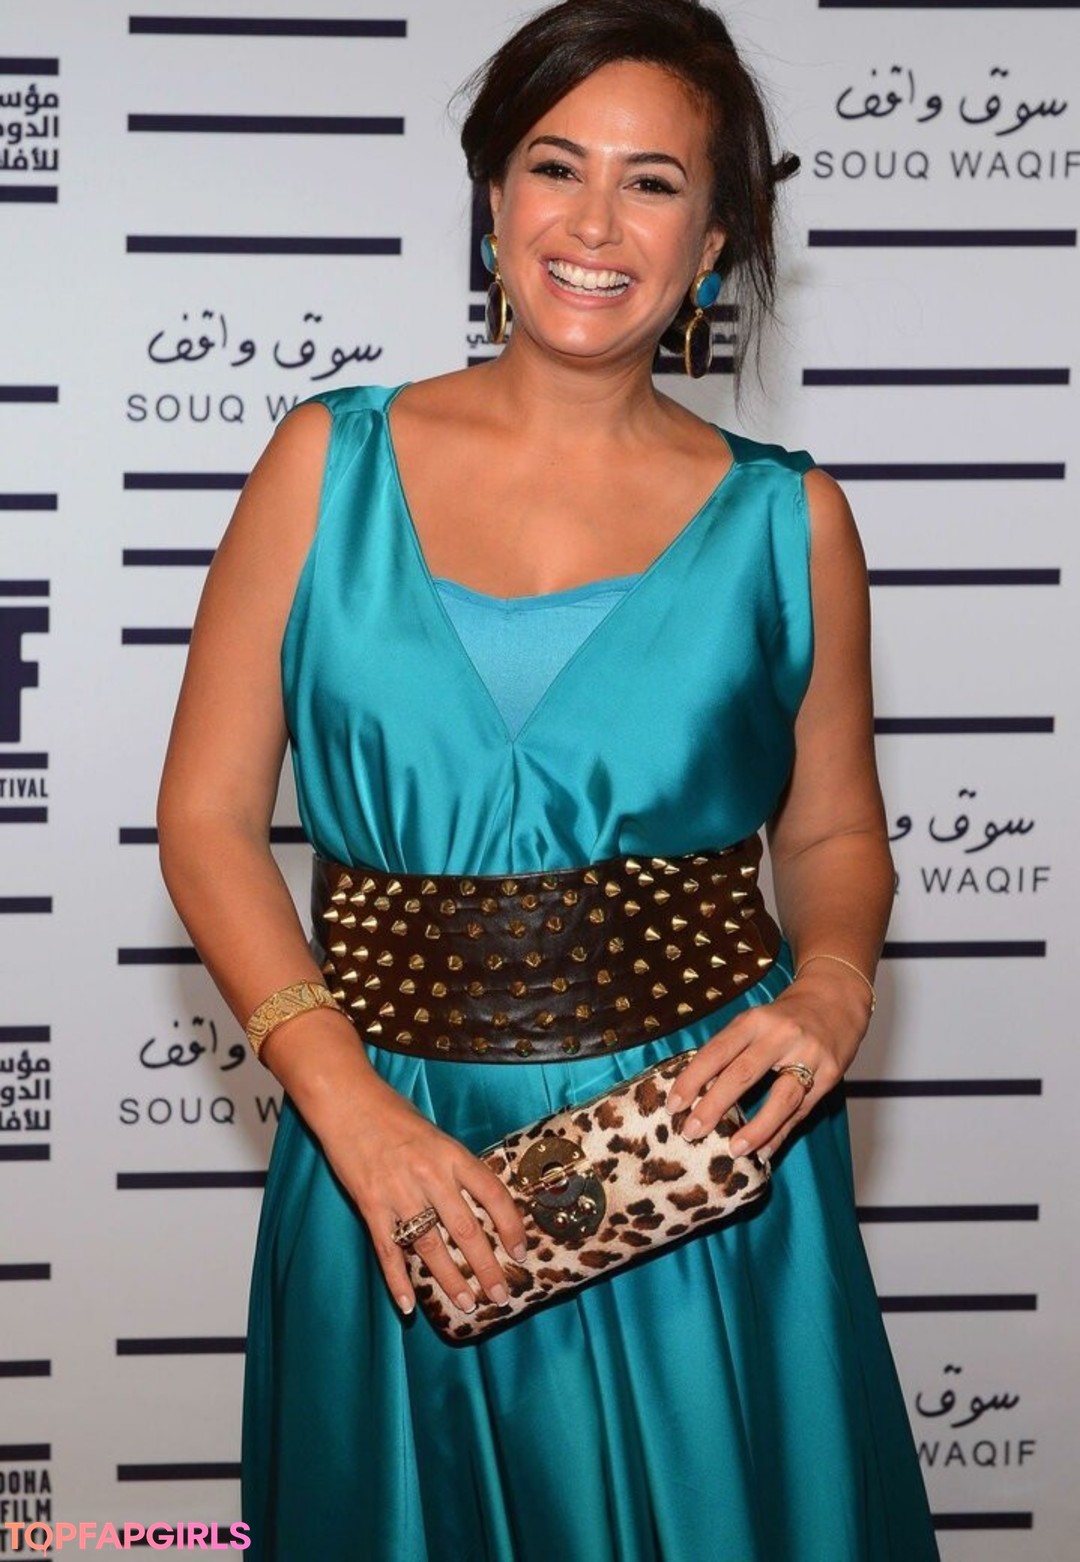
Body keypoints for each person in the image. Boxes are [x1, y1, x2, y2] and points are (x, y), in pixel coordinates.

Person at [157, 1, 940, 1557]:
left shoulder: (792, 524)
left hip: (698, 1161)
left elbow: (836, 829)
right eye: (555, 165)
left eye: (654, 183)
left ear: (713, 245)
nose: (593, 222)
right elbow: (207, 821)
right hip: (391, 1149)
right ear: (494, 199)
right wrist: (347, 1107)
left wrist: (835, 981)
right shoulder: (325, 461)